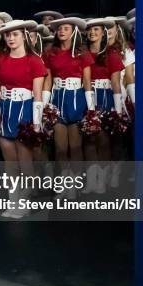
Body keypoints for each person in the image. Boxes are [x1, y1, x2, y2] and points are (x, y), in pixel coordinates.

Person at [0, 20, 46, 218]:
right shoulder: (0, 60)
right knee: (9, 161)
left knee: (25, 160)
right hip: (5, 111)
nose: (11, 38)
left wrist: (37, 122)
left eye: (15, 35)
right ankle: (14, 200)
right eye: (7, 35)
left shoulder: (35, 61)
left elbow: (37, 93)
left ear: (24, 36)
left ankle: (25, 200)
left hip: (25, 111)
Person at [42, 17, 93, 180]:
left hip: (76, 99)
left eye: (66, 28)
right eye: (60, 28)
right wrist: (44, 105)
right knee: (60, 148)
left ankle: (76, 181)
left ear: (74, 32)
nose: (62, 31)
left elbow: (86, 81)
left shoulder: (82, 53)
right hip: (57, 100)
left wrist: (91, 108)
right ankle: (65, 183)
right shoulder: (50, 53)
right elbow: (48, 80)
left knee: (76, 147)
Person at [82, 18, 124, 194]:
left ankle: (102, 179)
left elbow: (115, 83)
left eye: (96, 29)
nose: (92, 33)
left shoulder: (111, 54)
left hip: (105, 98)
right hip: (86, 97)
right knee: (89, 139)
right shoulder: (82, 54)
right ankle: (91, 179)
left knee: (104, 140)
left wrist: (118, 110)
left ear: (103, 32)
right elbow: (85, 80)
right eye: (90, 30)